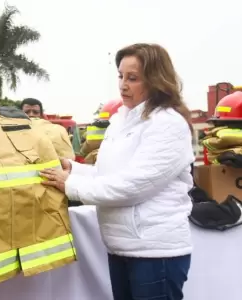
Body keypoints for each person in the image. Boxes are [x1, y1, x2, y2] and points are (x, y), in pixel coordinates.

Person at [40, 43, 194, 300]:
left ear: (156, 80)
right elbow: (107, 175)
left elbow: (133, 186)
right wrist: (74, 170)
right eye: (121, 76)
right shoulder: (121, 120)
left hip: (155, 252)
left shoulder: (168, 124)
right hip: (121, 246)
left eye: (133, 78)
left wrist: (70, 185)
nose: (123, 85)